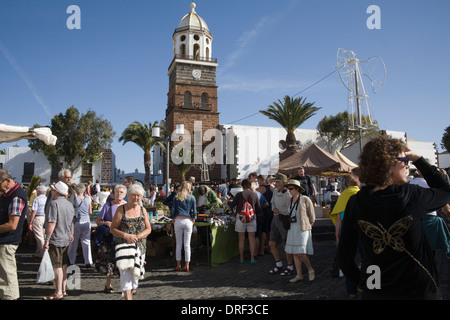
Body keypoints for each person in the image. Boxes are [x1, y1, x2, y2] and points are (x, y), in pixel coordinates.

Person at [338, 135, 450, 300]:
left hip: (375, 291)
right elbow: (445, 191)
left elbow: (344, 255)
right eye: (405, 160)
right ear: (389, 164)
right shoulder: (412, 196)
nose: (407, 165)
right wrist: (418, 158)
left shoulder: (356, 202)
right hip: (417, 291)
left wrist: (362, 284)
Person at [110, 184, 151, 300]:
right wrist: (126, 235)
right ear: (128, 196)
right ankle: (128, 297)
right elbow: (112, 228)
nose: (136, 198)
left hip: (139, 248)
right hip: (124, 247)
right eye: (133, 195)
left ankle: (129, 294)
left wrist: (137, 236)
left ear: (141, 197)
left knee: (135, 277)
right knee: (125, 275)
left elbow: (148, 229)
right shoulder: (121, 209)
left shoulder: (143, 210)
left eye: (138, 196)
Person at [330, 171, 361, 297]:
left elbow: (338, 218)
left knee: (348, 262)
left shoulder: (343, 195)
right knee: (367, 260)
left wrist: (337, 236)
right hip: (361, 232)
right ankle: (369, 287)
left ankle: (352, 291)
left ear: (348, 184)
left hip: (346, 233)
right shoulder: (360, 194)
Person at [43, 181, 75, 300]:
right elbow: (72, 221)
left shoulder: (53, 203)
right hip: (66, 237)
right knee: (64, 264)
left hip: (56, 238)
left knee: (57, 265)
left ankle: (58, 292)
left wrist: (47, 239)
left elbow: (52, 222)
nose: (51, 191)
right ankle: (63, 289)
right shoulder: (69, 204)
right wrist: (71, 233)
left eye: (53, 190)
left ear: (56, 191)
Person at [410, 163, 450, 256]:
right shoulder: (433, 184)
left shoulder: (412, 183)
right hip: (430, 221)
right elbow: (445, 204)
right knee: (432, 253)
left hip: (415, 220)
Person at [0, 169, 28, 300]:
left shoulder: (16, 196)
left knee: (7, 277)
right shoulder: (9, 194)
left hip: (7, 241)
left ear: (7, 181)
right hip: (5, 241)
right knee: (4, 276)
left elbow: (12, 225)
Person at [95, 184, 127, 293]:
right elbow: (98, 221)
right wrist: (105, 222)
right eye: (117, 192)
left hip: (122, 238)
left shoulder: (127, 206)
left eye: (121, 192)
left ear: (125, 194)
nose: (119, 194)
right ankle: (108, 285)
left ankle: (125, 286)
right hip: (109, 238)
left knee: (123, 262)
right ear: (113, 194)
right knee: (109, 261)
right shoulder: (107, 206)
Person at [283, 179, 315, 282]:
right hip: (292, 228)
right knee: (294, 252)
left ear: (297, 189)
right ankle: (299, 274)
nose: (289, 190)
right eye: (288, 188)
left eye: (291, 188)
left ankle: (310, 269)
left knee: (300, 252)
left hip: (303, 228)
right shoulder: (289, 200)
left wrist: (308, 227)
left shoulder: (305, 199)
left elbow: (312, 216)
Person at [267, 173, 294, 276]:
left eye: (278, 182)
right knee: (272, 243)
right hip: (275, 218)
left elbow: (289, 209)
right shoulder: (275, 191)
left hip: (284, 219)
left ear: (283, 183)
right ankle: (278, 264)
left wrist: (281, 211)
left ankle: (290, 266)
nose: (276, 183)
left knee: (285, 245)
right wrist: (274, 208)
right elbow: (272, 202)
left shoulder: (288, 194)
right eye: (276, 182)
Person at [229, 179, 260, 264]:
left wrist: (229, 201)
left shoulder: (239, 195)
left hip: (240, 218)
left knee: (241, 239)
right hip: (251, 218)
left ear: (242, 186)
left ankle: (241, 258)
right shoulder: (254, 194)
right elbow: (258, 208)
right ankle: (252, 258)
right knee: (252, 239)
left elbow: (232, 205)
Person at [170, 181, 197, 272]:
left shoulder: (176, 196)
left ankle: (178, 265)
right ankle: (187, 265)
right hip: (188, 220)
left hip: (178, 220)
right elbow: (194, 210)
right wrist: (193, 218)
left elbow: (173, 209)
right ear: (189, 188)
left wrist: (173, 217)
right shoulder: (192, 197)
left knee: (178, 244)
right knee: (187, 244)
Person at [67, 184, 93, 267]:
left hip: (77, 221)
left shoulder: (75, 200)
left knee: (74, 242)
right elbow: (90, 212)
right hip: (87, 221)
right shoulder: (87, 199)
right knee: (86, 242)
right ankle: (88, 261)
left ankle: (71, 260)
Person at [29, 185, 48, 259]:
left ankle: (44, 254)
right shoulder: (47, 199)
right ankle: (39, 253)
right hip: (45, 218)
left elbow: (34, 211)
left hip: (38, 217)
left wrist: (30, 222)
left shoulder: (37, 199)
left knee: (39, 237)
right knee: (43, 236)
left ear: (39, 191)